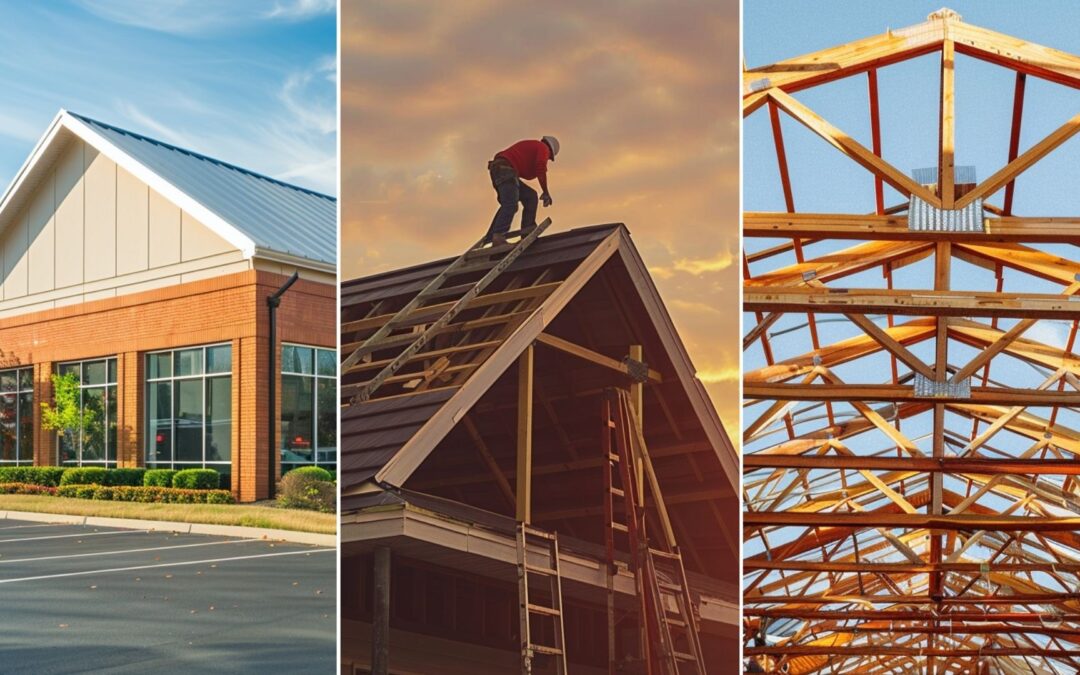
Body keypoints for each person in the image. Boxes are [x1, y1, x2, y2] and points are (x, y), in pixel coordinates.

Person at [485, 135, 559, 246]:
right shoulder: (543, 148)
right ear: (550, 150)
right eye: (549, 157)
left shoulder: (533, 146)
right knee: (510, 204)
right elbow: (540, 167)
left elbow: (529, 171)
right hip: (506, 169)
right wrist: (546, 192)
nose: (547, 159)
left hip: (501, 169)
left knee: (530, 196)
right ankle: (498, 236)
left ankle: (525, 230)